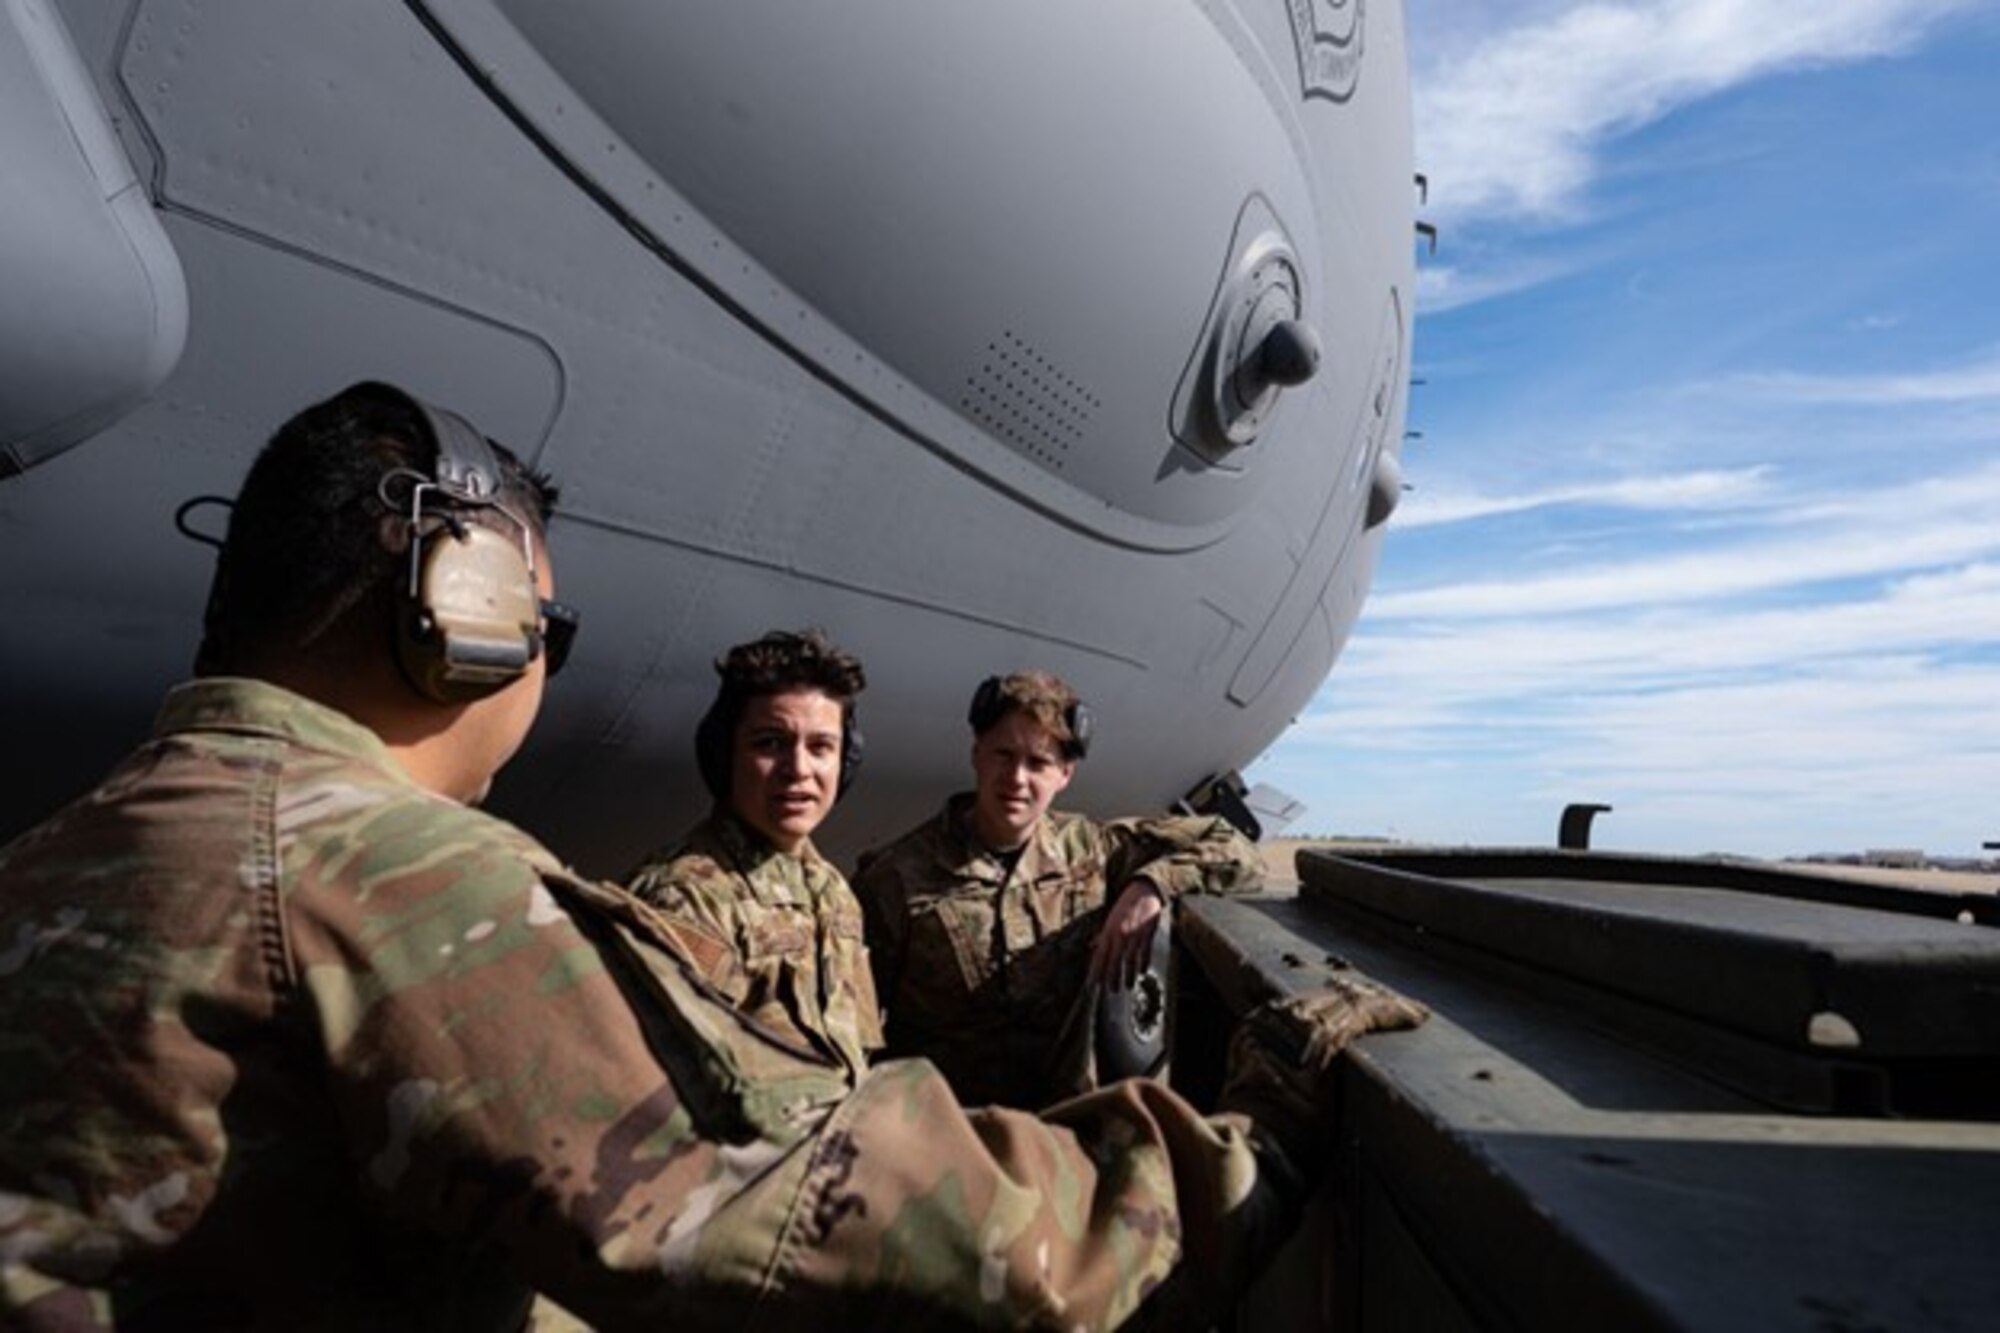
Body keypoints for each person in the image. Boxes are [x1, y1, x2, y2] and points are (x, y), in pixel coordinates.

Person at [0, 382, 1424, 1331]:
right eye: (543, 631)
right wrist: (1250, 1150)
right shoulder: (400, 879)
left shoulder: (53, 856)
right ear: (468, 610)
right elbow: (818, 1211)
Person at [855, 670, 1266, 1109]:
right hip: (948, 1138)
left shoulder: (1091, 852)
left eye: (1038, 763)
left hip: (1063, 1132)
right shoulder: (895, 878)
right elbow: (853, 1031)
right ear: (976, 754)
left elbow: (1237, 850)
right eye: (1003, 755)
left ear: (1064, 774)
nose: (1016, 778)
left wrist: (1151, 884)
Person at [623, 630, 881, 1081]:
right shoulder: (688, 897)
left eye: (821, 747)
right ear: (725, 755)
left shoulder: (832, 891)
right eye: (770, 743)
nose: (798, 770)